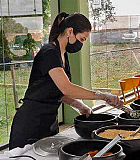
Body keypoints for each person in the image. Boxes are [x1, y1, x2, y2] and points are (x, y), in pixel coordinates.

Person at [9, 12, 123, 150]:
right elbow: (66, 88)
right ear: (70, 31)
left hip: (49, 121)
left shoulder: (62, 55)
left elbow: (57, 91)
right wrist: (103, 96)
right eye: (82, 39)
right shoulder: (49, 52)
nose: (81, 44)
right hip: (31, 123)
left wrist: (79, 105)